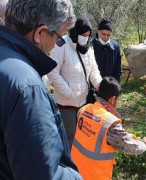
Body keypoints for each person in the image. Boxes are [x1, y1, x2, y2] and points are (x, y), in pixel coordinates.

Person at [0, 0, 82, 179]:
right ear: (39, 34)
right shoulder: (27, 88)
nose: (56, 45)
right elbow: (43, 174)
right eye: (59, 39)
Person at [71, 76, 146, 180]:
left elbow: (95, 137)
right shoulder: (110, 123)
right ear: (113, 99)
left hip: (75, 171)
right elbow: (131, 148)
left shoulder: (84, 109)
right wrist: (144, 143)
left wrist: (126, 135)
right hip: (95, 174)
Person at [48, 16, 102, 149]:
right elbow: (52, 72)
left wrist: (99, 84)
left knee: (81, 135)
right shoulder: (62, 44)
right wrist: (68, 92)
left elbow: (93, 70)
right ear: (75, 32)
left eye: (88, 35)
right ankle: (66, 165)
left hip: (83, 102)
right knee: (68, 135)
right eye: (83, 34)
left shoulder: (88, 48)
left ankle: (77, 163)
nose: (85, 37)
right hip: (65, 103)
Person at [92, 18, 122, 82]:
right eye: (103, 34)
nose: (105, 37)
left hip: (110, 86)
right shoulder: (91, 45)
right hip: (94, 86)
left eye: (108, 35)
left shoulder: (115, 46)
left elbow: (118, 69)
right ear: (98, 31)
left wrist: (115, 85)